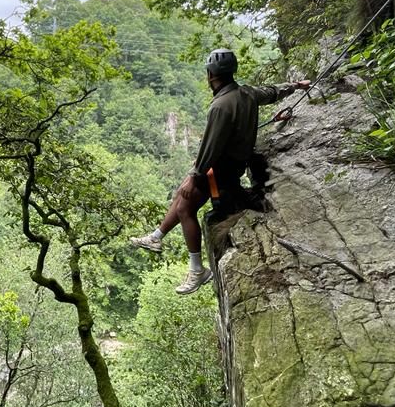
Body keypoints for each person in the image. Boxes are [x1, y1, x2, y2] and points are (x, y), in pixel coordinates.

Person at [130, 49, 310, 294]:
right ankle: (156, 235)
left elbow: (211, 146)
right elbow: (272, 92)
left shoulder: (220, 107)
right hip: (232, 163)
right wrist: (296, 86)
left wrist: (195, 176)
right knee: (182, 193)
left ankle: (197, 270)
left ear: (210, 75)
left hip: (220, 169)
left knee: (185, 206)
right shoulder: (246, 92)